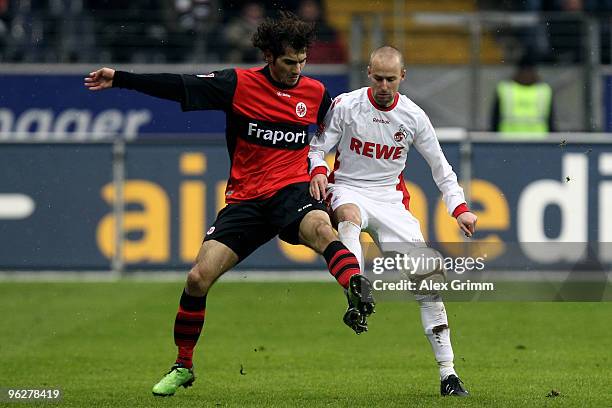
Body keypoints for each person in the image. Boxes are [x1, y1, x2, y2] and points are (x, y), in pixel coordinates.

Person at [84, 12, 375, 397]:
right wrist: (121, 78)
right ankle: (182, 365)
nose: (297, 70)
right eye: (290, 62)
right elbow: (178, 86)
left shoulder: (316, 94)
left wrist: (330, 173)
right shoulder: (236, 84)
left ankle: (355, 285)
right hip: (247, 200)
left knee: (323, 230)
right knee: (197, 278)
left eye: (302, 62)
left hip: (292, 192)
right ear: (269, 56)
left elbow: (339, 135)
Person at [308, 46, 476, 397]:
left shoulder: (414, 117)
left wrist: (459, 208)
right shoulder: (346, 105)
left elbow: (440, 168)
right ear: (369, 73)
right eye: (378, 78)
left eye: (391, 79)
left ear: (403, 76)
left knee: (428, 283)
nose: (384, 86)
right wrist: (320, 170)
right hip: (349, 188)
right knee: (349, 219)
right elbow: (317, 147)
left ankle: (449, 374)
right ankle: (356, 288)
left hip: (390, 200)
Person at [490, 53, 555, 138]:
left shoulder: (544, 91)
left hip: (538, 144)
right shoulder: (505, 90)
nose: (527, 75)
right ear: (518, 72)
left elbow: (551, 123)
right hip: (508, 144)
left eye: (529, 71)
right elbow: (494, 121)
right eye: (525, 70)